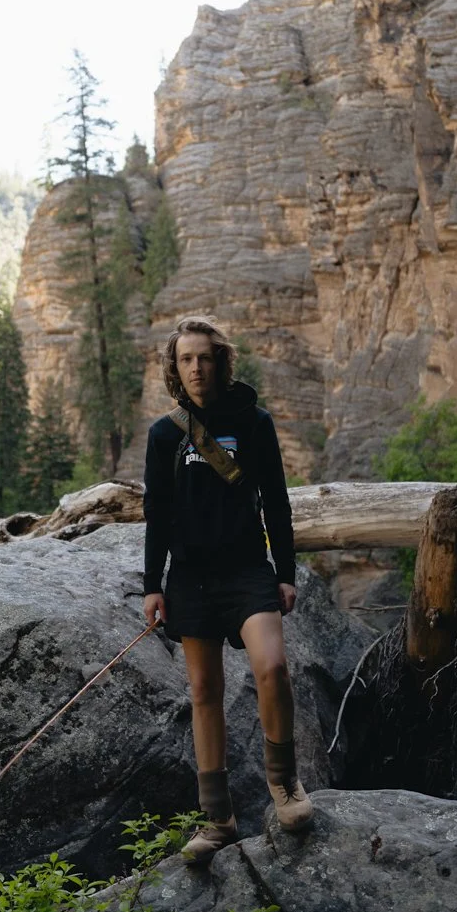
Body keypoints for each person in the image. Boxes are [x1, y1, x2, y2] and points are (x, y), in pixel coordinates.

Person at [141, 315, 313, 865]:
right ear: (175, 367)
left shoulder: (253, 421)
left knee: (273, 667)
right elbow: (157, 516)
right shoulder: (165, 434)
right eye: (186, 359)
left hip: (246, 571)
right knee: (204, 694)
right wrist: (153, 586)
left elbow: (277, 502)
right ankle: (218, 820)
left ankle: (284, 785)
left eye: (204, 357)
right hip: (190, 578)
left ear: (220, 361)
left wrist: (284, 571)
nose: (195, 368)